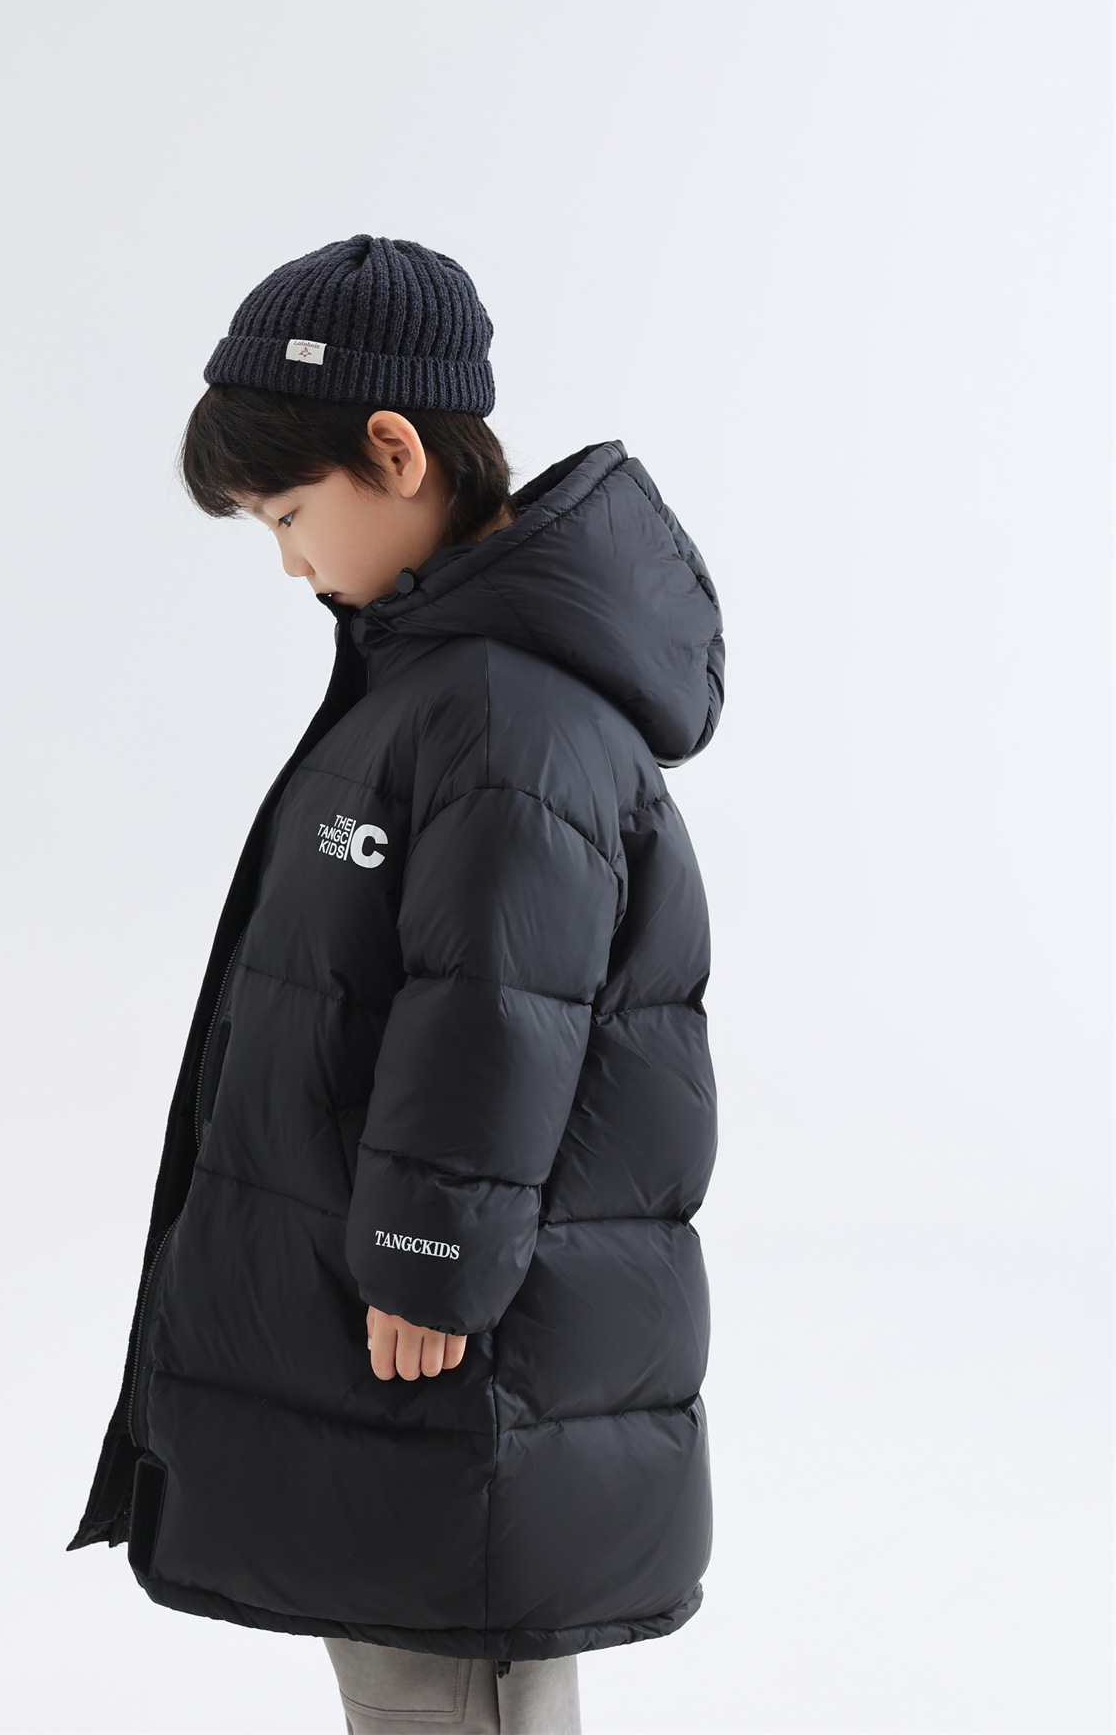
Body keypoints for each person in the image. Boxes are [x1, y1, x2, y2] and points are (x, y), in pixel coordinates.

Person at [68, 235, 724, 1734]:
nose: (291, 563)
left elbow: (495, 1002)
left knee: (450, 1687)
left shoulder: (501, 712)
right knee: (417, 1675)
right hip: (430, 1329)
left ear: (395, 450)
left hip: (459, 1341)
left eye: (291, 515)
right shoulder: (439, 680)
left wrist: (430, 1256)